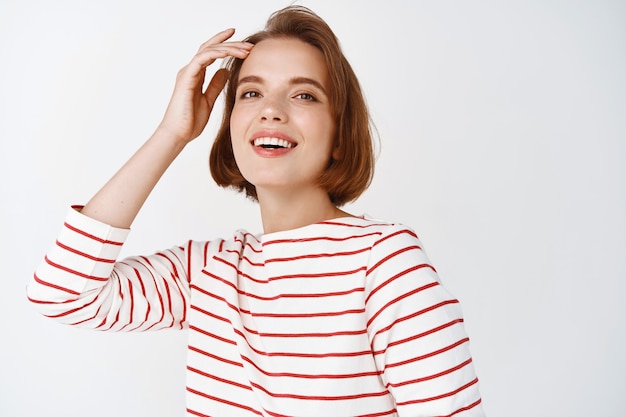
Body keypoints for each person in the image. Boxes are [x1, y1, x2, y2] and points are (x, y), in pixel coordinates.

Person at [27, 5, 485, 416]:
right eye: (250, 94)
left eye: (304, 95)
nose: (271, 111)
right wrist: (172, 133)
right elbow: (63, 295)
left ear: (341, 137)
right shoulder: (208, 271)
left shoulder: (384, 262)